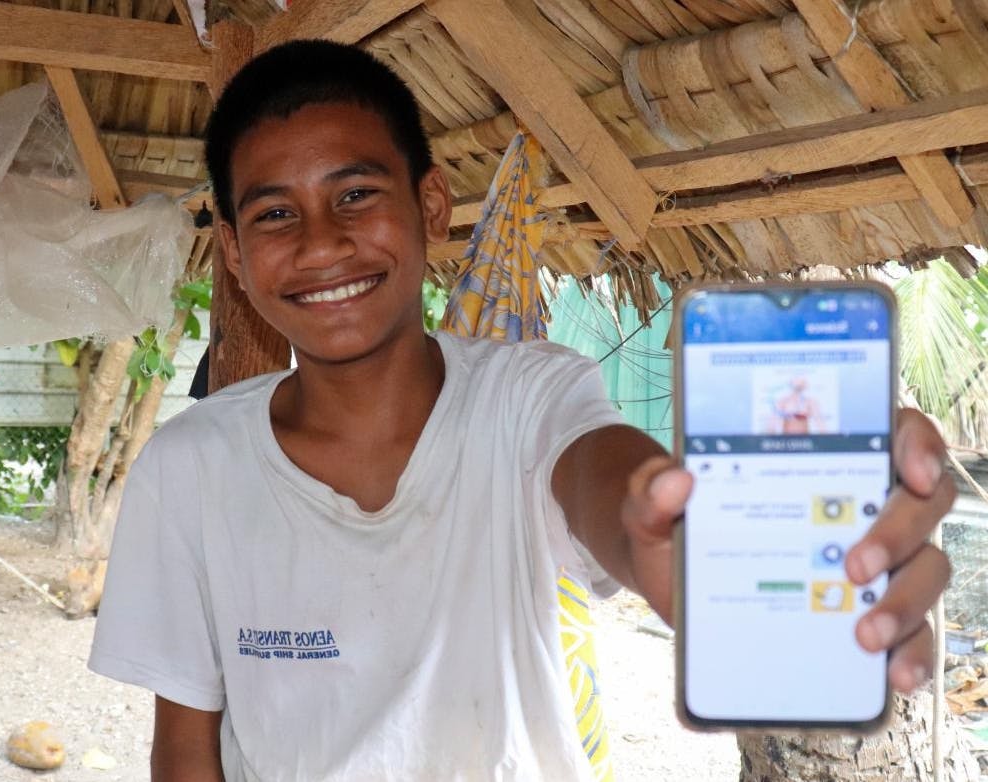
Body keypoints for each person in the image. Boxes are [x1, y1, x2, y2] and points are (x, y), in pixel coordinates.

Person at [89, 40, 952, 780]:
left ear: (429, 206)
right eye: (277, 213)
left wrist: (688, 546)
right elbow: (184, 748)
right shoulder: (191, 466)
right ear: (234, 256)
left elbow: (607, 480)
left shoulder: (530, 396)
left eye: (355, 194)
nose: (322, 242)